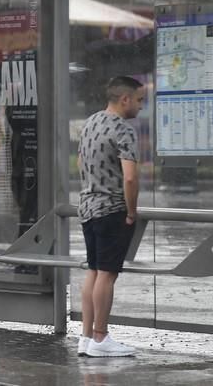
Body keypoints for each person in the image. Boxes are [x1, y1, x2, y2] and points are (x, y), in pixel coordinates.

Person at [77, 75, 145, 357]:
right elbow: (130, 178)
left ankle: (86, 337)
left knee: (93, 272)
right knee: (107, 274)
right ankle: (101, 338)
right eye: (139, 100)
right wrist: (131, 211)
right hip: (112, 209)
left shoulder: (91, 122)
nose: (141, 106)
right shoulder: (124, 129)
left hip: (88, 207)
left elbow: (82, 162)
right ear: (125, 99)